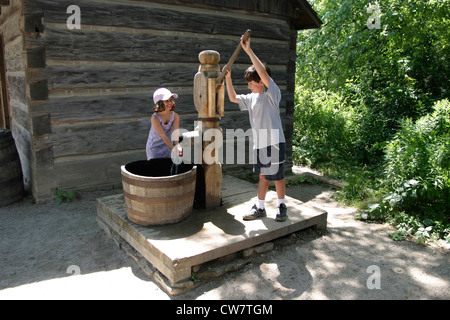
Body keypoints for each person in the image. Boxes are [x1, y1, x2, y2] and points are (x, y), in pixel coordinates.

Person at [223, 35, 287, 222]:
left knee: (277, 177)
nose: (249, 86)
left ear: (261, 81)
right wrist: (228, 78)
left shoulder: (272, 94)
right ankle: (260, 207)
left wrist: (248, 51)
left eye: (251, 83)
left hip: (274, 142)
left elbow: (264, 74)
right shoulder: (251, 99)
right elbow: (234, 98)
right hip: (259, 144)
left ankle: (281, 205)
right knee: (262, 176)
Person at [146, 88, 183, 161]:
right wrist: (173, 148)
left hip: (167, 146)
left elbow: (176, 134)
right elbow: (163, 136)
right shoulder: (155, 118)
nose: (170, 103)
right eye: (166, 101)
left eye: (171, 100)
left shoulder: (175, 116)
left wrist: (178, 146)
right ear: (159, 103)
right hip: (154, 148)